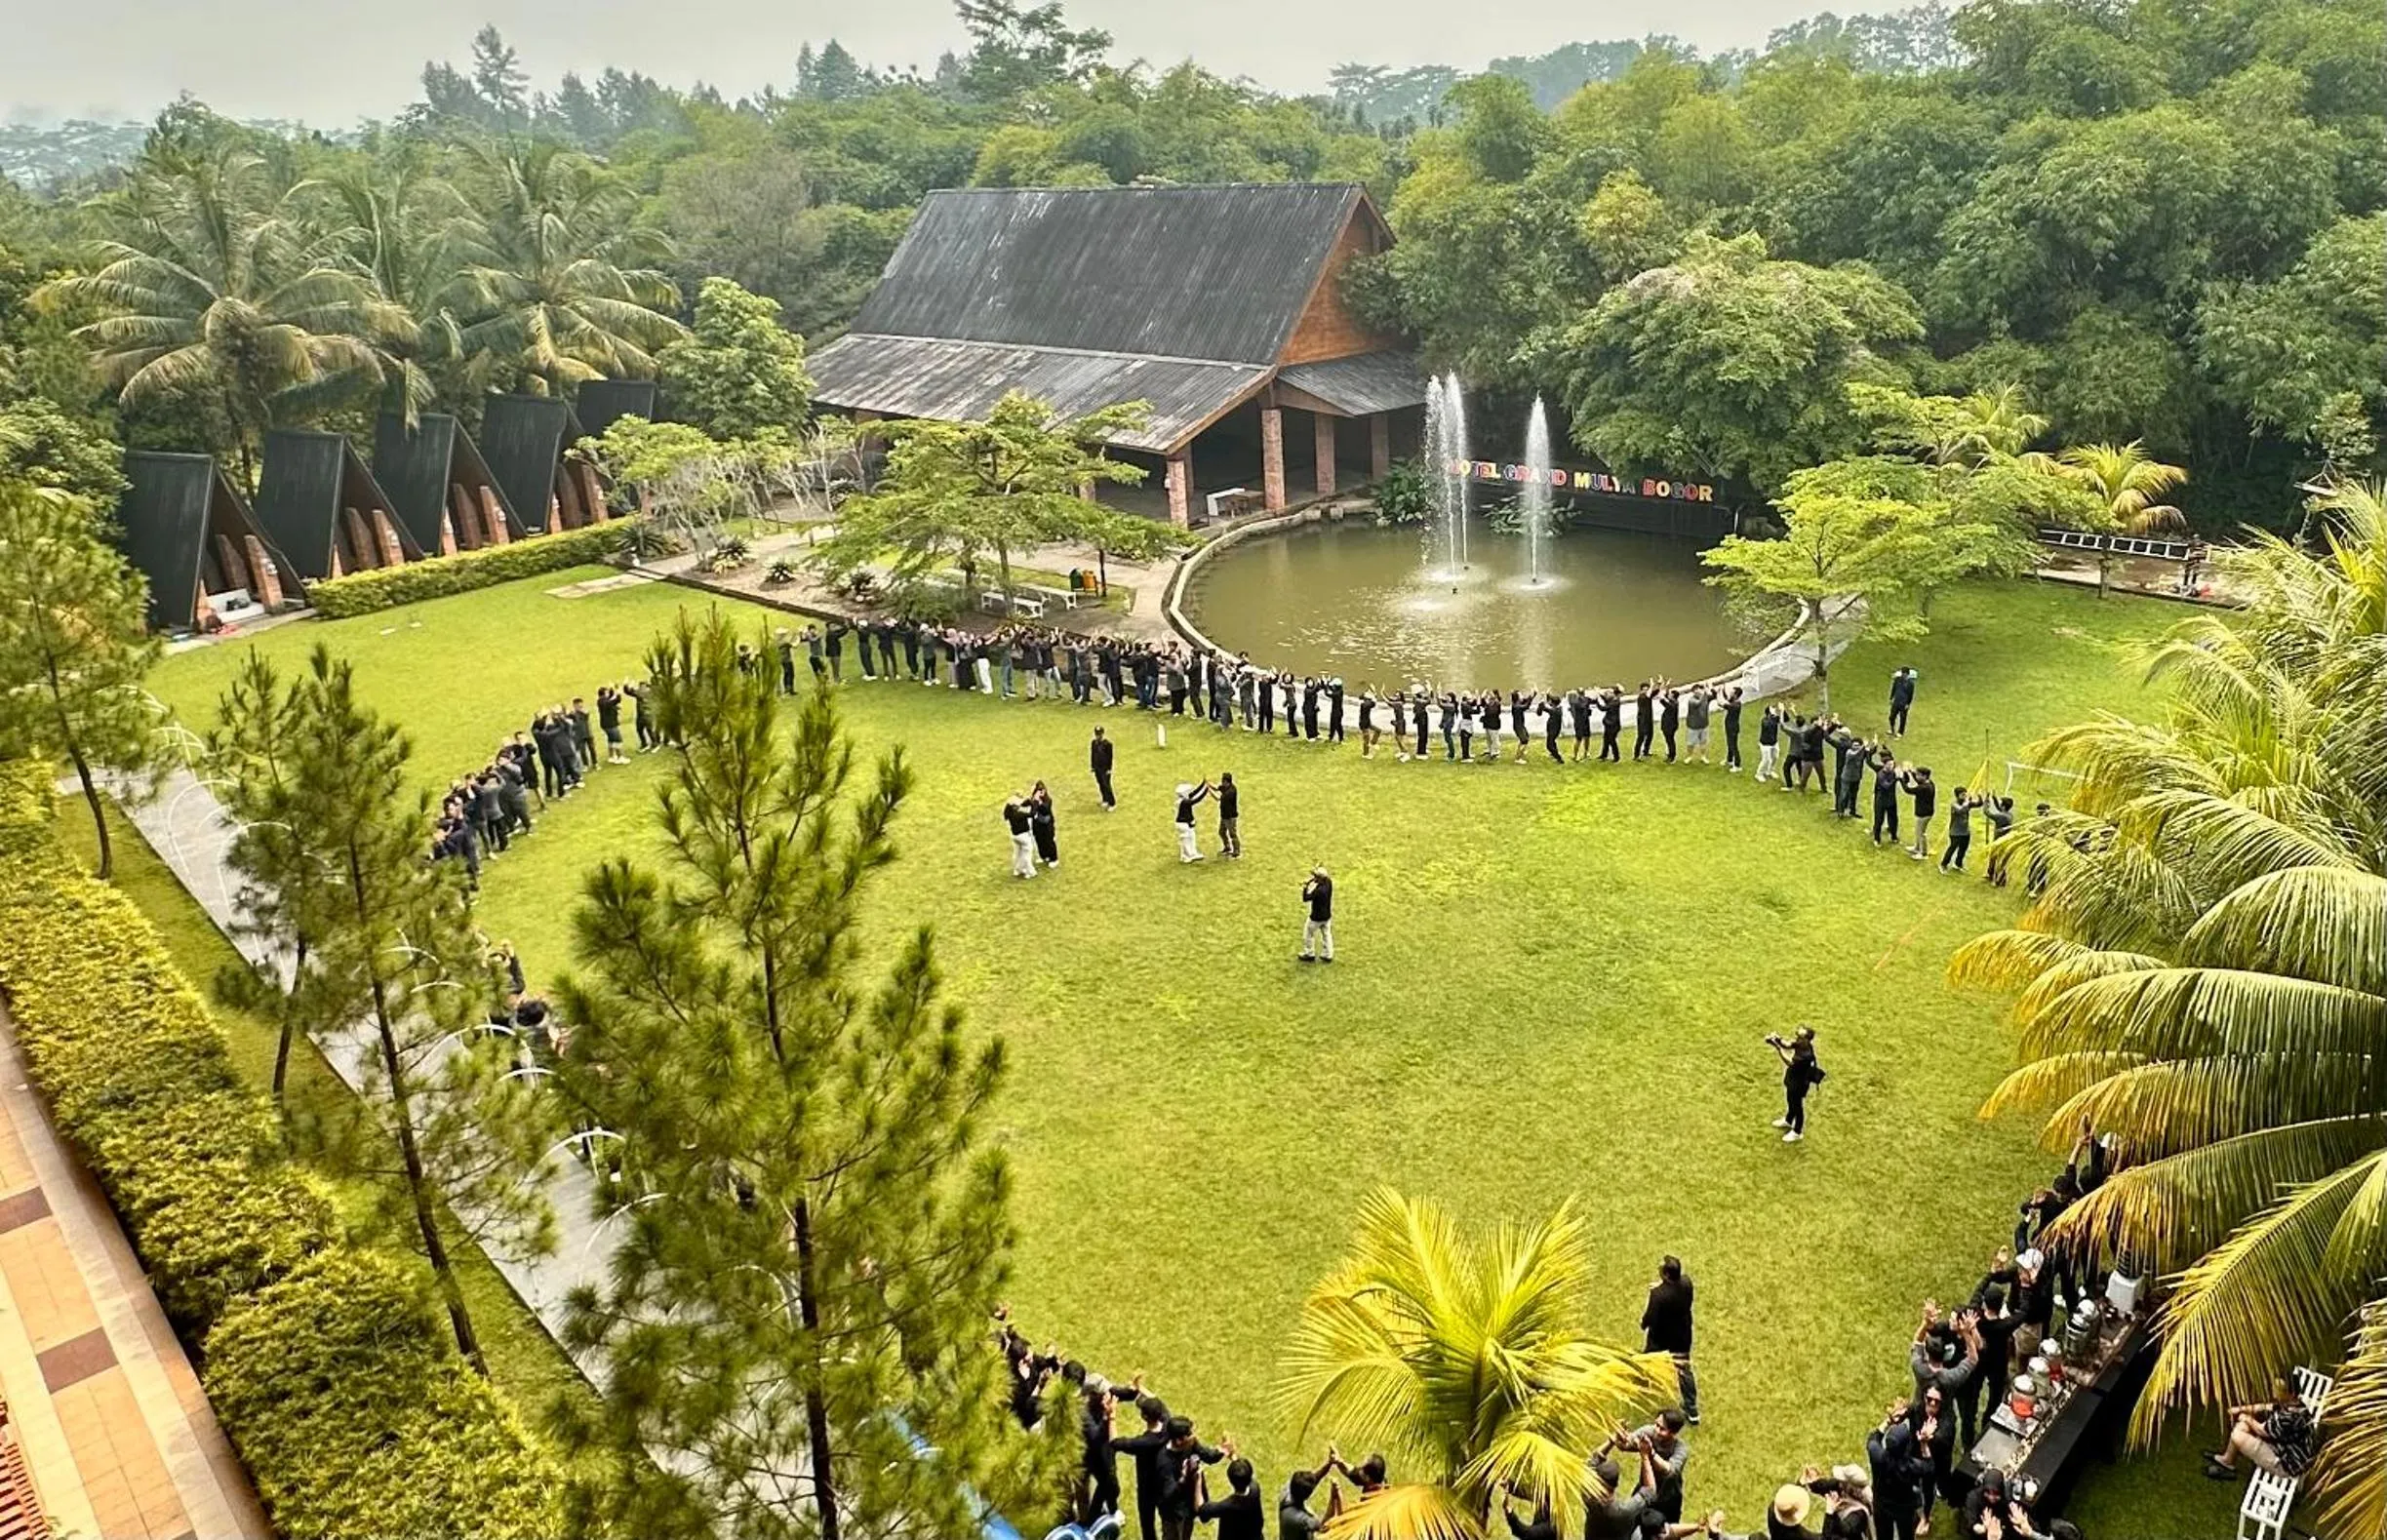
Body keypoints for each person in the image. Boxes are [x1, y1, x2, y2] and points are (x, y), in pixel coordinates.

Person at [2205, 1378, 2316, 1482]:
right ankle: (2227, 1461)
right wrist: (2240, 1409)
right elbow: (2265, 1407)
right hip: (2284, 1448)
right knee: (2242, 1426)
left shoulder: (2288, 1417)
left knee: (2237, 1435)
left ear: (2291, 1394)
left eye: (2279, 1390)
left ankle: (2227, 1464)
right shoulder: (2295, 1405)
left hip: (2287, 1464)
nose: (2274, 1391)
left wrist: (2246, 1417)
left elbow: (2262, 1430)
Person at [1642, 1255, 1700, 1426]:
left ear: (1666, 1275)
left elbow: (1651, 1318)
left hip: (1661, 1339)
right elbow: (1674, 1290)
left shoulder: (1658, 1296)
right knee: (1684, 1370)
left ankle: (1642, 1389)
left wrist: (1643, 1323)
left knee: (1645, 1363)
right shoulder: (1686, 1283)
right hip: (1682, 1337)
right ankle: (1692, 1409)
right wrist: (1661, 1287)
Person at [1769, 1027, 1825, 1143]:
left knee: (1797, 1106)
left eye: (1803, 1030)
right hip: (1793, 1078)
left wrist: (1778, 1048)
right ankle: (1788, 1120)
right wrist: (1777, 1039)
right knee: (1790, 1100)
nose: (1800, 1029)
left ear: (1805, 1037)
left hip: (1799, 1083)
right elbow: (1788, 1044)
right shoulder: (1801, 1043)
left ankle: (1797, 1132)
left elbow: (1789, 1061)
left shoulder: (1805, 1054)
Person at [1196, 1457, 1264, 1540]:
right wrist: (1235, 1458)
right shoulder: (1255, 1489)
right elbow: (1245, 1475)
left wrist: (1198, 1480)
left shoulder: (1228, 1506)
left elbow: (1202, 1509)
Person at [1299, 867, 1334, 964]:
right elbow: (1319, 880)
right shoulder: (1328, 882)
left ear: (1320, 878)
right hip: (1327, 916)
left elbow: (1306, 898)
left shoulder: (1319, 891)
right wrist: (1312, 880)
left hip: (1316, 918)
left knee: (1308, 933)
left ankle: (1309, 953)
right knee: (1327, 935)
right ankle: (1328, 954)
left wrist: (1305, 887)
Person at [1905, 767, 1937, 862]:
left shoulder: (1924, 788)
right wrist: (1911, 772)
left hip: (1924, 814)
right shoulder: (1928, 783)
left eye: (1918, 775)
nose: (1917, 776)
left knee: (1921, 833)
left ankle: (1923, 853)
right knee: (1918, 831)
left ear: (1924, 776)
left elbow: (1908, 790)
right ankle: (1917, 847)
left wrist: (1901, 779)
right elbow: (1918, 781)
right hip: (1924, 812)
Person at [1175, 781, 1212, 862]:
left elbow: (1193, 794)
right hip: (1184, 824)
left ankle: (1186, 855)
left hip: (1182, 823)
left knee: (1188, 838)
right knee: (1187, 839)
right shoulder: (1185, 802)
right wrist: (1206, 790)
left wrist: (1203, 785)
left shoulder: (1181, 800)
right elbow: (1196, 799)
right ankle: (1189, 855)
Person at [1940, 788, 1974, 872]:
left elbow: (1977, 804)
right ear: (1957, 796)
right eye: (1962, 795)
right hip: (1955, 832)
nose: (1964, 796)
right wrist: (1967, 803)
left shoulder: (1966, 803)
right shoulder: (1954, 805)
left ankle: (1958, 864)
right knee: (1952, 848)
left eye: (1965, 795)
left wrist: (1981, 799)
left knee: (1963, 849)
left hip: (1965, 831)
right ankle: (1944, 864)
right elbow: (1960, 810)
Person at [1004, 797, 1037, 880]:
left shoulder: (1009, 813)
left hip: (1015, 836)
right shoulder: (1019, 814)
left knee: (1017, 853)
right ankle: (1030, 872)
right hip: (1024, 837)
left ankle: (1018, 870)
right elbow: (1033, 814)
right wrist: (1033, 804)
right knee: (1027, 854)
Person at [1031, 782, 1061, 869]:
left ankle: (1054, 858)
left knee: (1049, 841)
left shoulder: (1048, 800)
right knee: (1040, 840)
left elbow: (1045, 810)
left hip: (1047, 825)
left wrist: (1039, 803)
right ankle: (1044, 856)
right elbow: (1032, 811)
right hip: (1037, 824)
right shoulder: (1034, 800)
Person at [1216, 772, 1243, 858]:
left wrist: (1208, 791)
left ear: (1227, 781)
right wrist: (1208, 785)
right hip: (1224, 816)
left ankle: (1236, 850)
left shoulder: (1231, 792)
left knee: (1232, 834)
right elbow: (1217, 788)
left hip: (1230, 817)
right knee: (1221, 832)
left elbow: (1218, 798)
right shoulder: (1226, 787)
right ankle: (1227, 846)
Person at [1092, 727, 1118, 810]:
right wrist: (1093, 766)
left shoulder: (1108, 744)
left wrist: (1109, 769)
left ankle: (1112, 803)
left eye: (1099, 734)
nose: (1098, 736)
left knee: (1107, 785)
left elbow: (1110, 757)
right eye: (1096, 734)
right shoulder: (1094, 743)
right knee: (1100, 784)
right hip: (1097, 768)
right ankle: (1105, 799)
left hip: (1105, 768)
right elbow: (1093, 755)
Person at [1888, 667, 1917, 736]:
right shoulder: (1897, 680)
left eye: (1904, 674)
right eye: (1902, 673)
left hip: (1904, 703)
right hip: (1896, 701)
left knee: (1903, 718)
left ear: (1907, 674)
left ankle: (1900, 732)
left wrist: (1908, 704)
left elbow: (1910, 694)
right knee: (1891, 717)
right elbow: (1894, 689)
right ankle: (1892, 729)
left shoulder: (1910, 684)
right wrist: (1891, 698)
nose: (1903, 675)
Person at [1722, 687, 1744, 772]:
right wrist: (1722, 690)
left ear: (1735, 695)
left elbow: (1722, 703)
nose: (1730, 693)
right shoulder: (1734, 701)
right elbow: (1726, 698)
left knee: (1733, 746)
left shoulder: (1736, 705)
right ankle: (1729, 760)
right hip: (1729, 726)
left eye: (1732, 692)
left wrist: (1717, 695)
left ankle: (1737, 765)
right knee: (1729, 744)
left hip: (1732, 728)